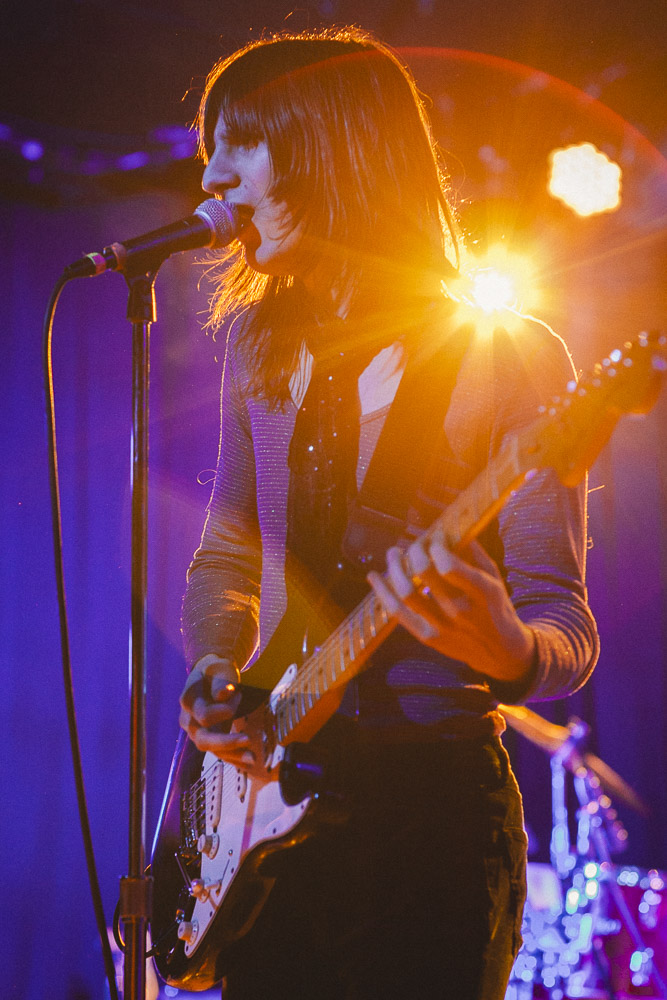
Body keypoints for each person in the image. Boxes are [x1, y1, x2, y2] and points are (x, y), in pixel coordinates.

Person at [177, 26, 599, 1000]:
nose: (216, 174)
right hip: (270, 828)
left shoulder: (505, 353)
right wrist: (214, 668)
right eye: (212, 147)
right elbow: (227, 554)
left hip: (432, 826)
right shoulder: (258, 347)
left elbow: (564, 623)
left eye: (243, 141)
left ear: (333, 143)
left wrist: (507, 648)